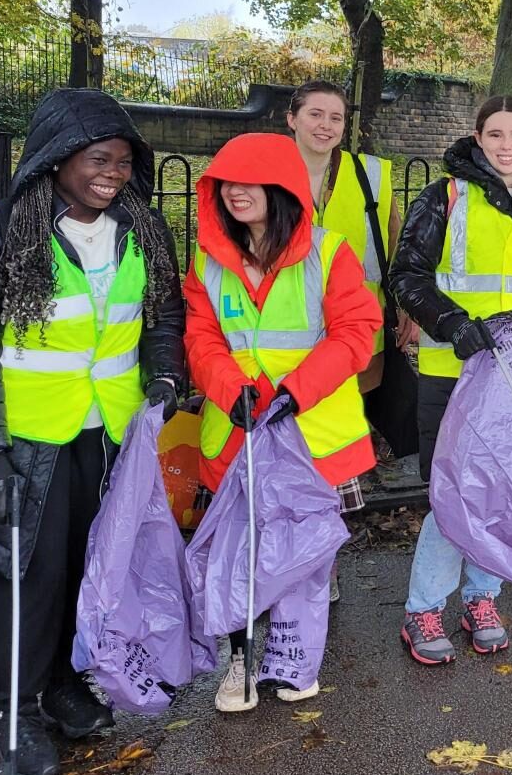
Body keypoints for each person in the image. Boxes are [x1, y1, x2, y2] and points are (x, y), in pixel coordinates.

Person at [0, 89, 186, 775]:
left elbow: (164, 314)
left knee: (92, 567)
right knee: (31, 578)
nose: (113, 172)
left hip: (108, 435)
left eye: (124, 160)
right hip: (26, 441)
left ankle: (65, 686)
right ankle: (10, 712)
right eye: (97, 158)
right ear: (54, 160)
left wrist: (164, 376)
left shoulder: (140, 227)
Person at [184, 133, 380, 712]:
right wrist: (229, 389)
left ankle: (294, 661)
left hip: (311, 431)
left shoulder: (330, 251)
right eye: (225, 183)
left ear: (282, 187)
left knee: (303, 555)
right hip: (240, 428)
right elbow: (201, 338)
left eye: (248, 181)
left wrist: (297, 392)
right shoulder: (208, 261)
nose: (235, 193)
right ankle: (240, 663)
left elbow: (355, 331)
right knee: (237, 551)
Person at [385, 96, 512, 664]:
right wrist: (450, 324)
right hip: (457, 370)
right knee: (452, 494)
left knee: (502, 489)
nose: (506, 144)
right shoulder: (444, 197)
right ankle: (424, 607)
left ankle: (482, 597)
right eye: (495, 134)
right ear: (478, 136)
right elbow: (407, 275)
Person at [285, 80, 416, 600]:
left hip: (354, 338)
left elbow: (396, 249)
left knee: (333, 450)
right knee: (290, 450)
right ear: (290, 118)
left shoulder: (372, 176)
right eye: (315, 114)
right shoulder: (263, 174)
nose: (325, 126)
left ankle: (325, 562)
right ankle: (290, 555)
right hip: (285, 339)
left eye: (335, 118)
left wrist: (403, 308)